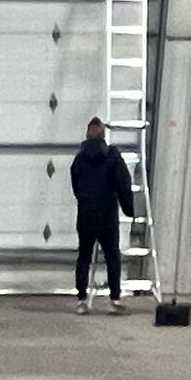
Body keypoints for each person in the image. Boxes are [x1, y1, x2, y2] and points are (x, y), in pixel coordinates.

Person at [70, 117, 136, 315]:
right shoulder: (112, 157)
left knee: (84, 256)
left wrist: (83, 199)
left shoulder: (79, 159)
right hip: (106, 214)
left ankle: (82, 300)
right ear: (103, 136)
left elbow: (75, 185)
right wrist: (129, 210)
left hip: (86, 214)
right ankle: (114, 299)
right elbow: (123, 185)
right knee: (112, 256)